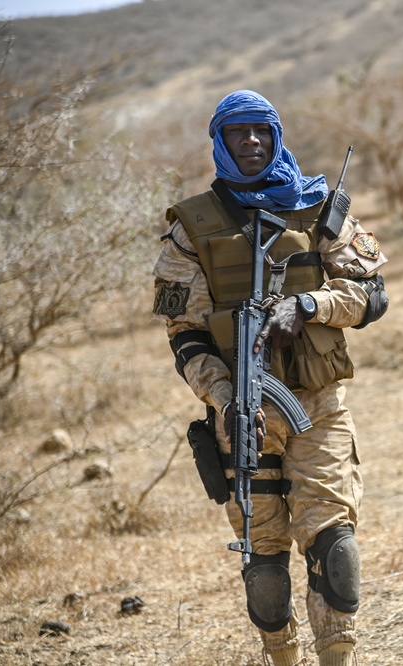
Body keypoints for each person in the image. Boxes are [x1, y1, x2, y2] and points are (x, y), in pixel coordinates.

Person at [152, 90, 388, 666]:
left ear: (276, 136)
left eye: (262, 130)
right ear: (220, 142)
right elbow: (185, 334)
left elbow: (372, 296)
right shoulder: (192, 227)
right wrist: (227, 397)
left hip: (320, 403)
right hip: (241, 415)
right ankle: (281, 656)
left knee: (334, 546)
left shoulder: (317, 207)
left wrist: (308, 306)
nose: (252, 141)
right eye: (238, 133)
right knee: (263, 563)